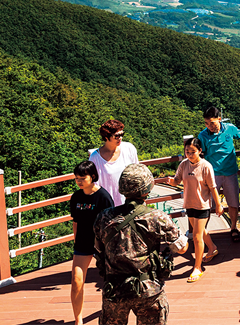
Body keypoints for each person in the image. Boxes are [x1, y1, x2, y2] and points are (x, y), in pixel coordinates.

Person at [93, 163, 188, 325]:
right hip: (149, 290)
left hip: (115, 289)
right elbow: (181, 248)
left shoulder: (104, 217)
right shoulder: (157, 217)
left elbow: (97, 247)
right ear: (147, 189)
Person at [168, 137, 222, 282]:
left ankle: (197, 267)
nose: (190, 154)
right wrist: (171, 181)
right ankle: (212, 248)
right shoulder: (184, 164)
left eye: (193, 151)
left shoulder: (206, 166)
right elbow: (177, 180)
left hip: (202, 205)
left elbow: (213, 187)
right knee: (201, 231)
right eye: (187, 151)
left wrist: (218, 204)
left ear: (200, 150)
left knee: (197, 236)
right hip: (189, 203)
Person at [69, 160, 114, 325]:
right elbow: (75, 222)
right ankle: (78, 320)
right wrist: (76, 241)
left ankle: (111, 312)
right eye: (76, 178)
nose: (79, 181)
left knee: (111, 281)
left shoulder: (103, 197)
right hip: (82, 243)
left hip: (102, 243)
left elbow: (111, 223)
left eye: (82, 177)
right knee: (76, 280)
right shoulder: (76, 197)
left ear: (93, 176)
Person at [197, 106, 240, 243]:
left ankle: (234, 227)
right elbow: (201, 154)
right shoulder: (203, 135)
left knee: (233, 202)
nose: (209, 126)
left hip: (230, 173)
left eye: (212, 123)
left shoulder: (229, 128)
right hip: (213, 175)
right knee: (207, 204)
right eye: (206, 123)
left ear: (219, 119)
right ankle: (203, 231)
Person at [89, 119, 140, 206]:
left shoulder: (129, 148)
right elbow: (94, 184)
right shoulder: (95, 158)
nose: (120, 138)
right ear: (106, 137)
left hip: (130, 203)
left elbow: (138, 172)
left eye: (122, 134)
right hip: (108, 205)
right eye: (117, 136)